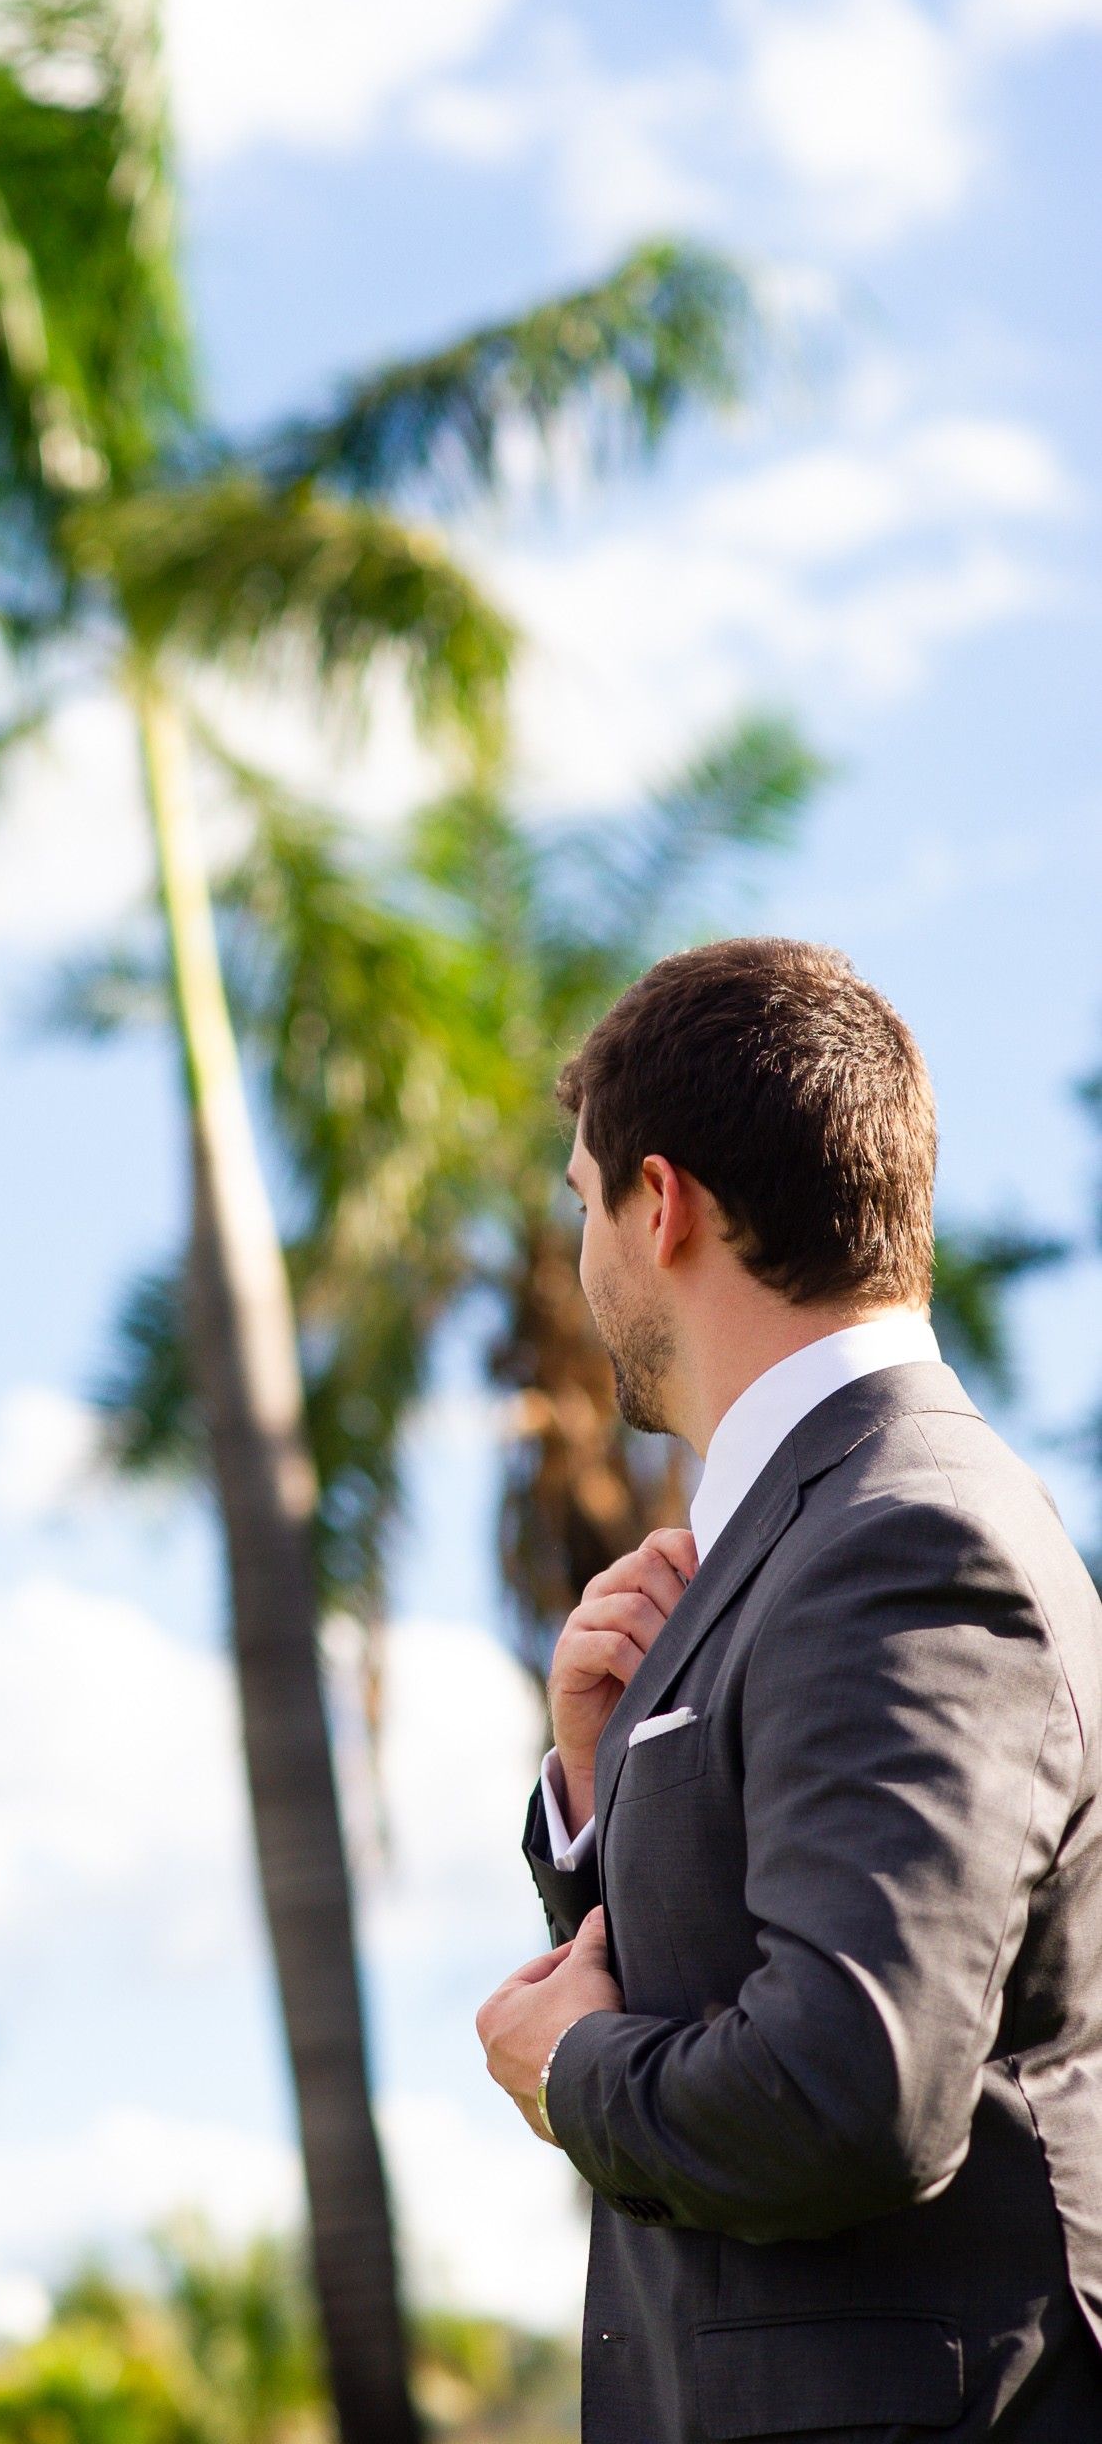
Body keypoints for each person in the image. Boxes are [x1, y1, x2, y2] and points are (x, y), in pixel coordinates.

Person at [473, 938, 1102, 2441]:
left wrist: (568, 2073)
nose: (581, 1255)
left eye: (583, 1203)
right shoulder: (819, 1526)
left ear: (662, 1203)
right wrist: (595, 1786)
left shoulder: (905, 1530)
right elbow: (735, 1990)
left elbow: (850, 2088)